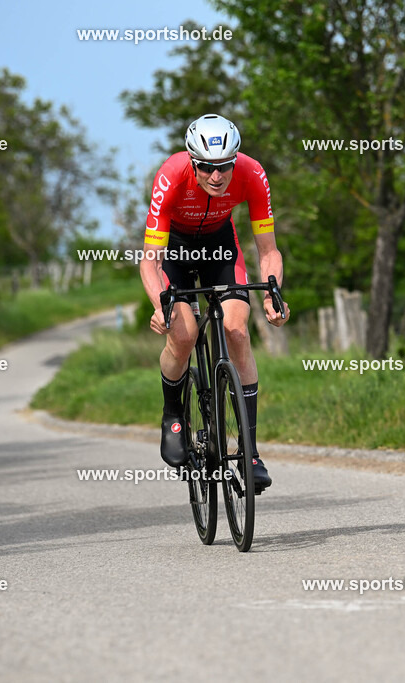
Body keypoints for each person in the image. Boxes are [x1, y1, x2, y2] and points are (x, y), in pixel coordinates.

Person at [139, 114, 289, 493]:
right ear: (192, 160)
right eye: (206, 167)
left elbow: (268, 250)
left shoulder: (253, 174)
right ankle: (174, 417)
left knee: (237, 329)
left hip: (221, 248)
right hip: (175, 250)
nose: (216, 176)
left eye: (224, 166)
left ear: (235, 160)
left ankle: (251, 452)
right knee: (184, 334)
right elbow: (150, 260)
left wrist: (273, 294)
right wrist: (160, 305)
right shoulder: (171, 174)